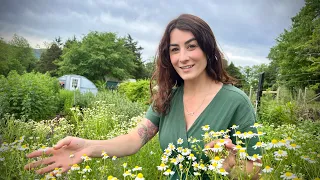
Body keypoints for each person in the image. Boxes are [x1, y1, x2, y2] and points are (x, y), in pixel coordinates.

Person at [25, 14, 261, 179]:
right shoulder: (169, 97)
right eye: (174, 49)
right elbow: (133, 139)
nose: (183, 57)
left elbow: (255, 171)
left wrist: (231, 165)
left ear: (208, 49)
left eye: (192, 46)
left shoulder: (236, 102)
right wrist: (88, 147)